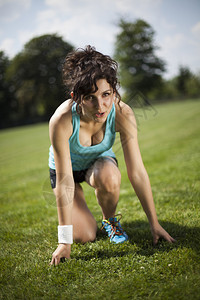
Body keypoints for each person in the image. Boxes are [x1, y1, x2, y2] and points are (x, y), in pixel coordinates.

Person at [49, 45, 175, 266]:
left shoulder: (123, 113)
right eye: (90, 97)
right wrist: (64, 242)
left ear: (114, 91)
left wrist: (154, 223)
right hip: (67, 171)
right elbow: (65, 180)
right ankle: (80, 218)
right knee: (84, 236)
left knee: (109, 175)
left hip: (99, 165)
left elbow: (136, 171)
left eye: (106, 94)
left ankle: (110, 221)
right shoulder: (61, 120)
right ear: (76, 97)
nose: (101, 106)